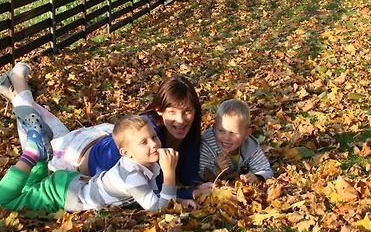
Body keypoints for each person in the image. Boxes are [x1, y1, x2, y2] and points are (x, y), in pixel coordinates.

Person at [0, 63, 209, 203]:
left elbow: (187, 172)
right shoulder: (149, 139)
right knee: (37, 137)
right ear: (159, 110)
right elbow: (146, 191)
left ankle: (11, 90)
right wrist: (186, 193)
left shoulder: (184, 133)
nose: (181, 120)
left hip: (104, 134)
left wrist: (199, 184)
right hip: (76, 155)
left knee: (44, 128)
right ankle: (18, 81)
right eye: (172, 112)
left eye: (188, 111)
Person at [199, 99, 273, 184]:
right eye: (221, 130)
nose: (226, 138)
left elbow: (265, 169)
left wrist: (257, 177)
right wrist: (217, 170)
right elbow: (200, 175)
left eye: (233, 133)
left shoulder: (250, 146)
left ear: (246, 134)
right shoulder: (208, 146)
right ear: (214, 127)